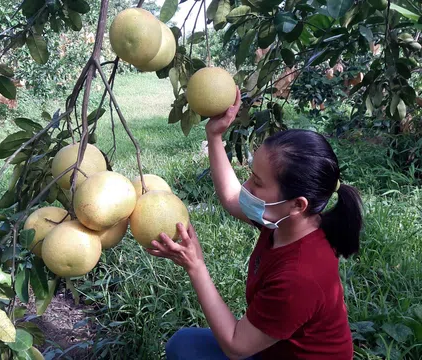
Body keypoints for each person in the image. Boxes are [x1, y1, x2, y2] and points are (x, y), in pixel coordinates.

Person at [146, 87, 363, 360]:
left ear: (298, 204)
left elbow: (236, 346)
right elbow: (230, 197)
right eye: (251, 176)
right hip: (274, 349)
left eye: (258, 183)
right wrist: (214, 135)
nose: (246, 188)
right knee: (183, 346)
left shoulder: (301, 275)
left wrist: (196, 265)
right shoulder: (284, 221)